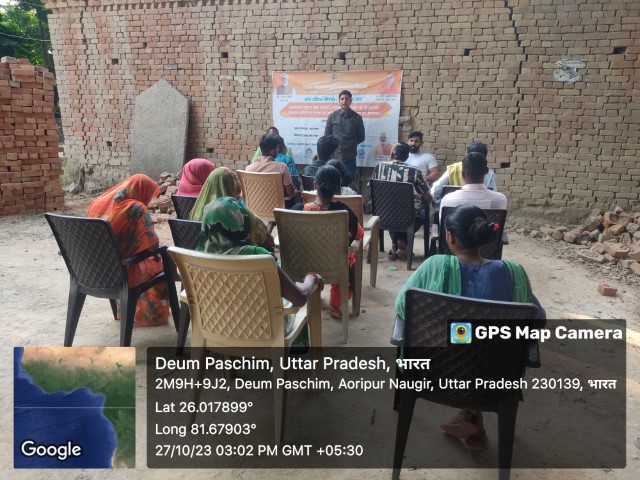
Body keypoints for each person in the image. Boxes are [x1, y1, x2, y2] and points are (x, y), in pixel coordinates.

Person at [395, 204, 546, 450]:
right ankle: (471, 415)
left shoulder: (433, 266)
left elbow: (403, 307)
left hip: (435, 371)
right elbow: (537, 321)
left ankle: (470, 416)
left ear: (450, 237)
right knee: (481, 347)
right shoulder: (514, 273)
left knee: (461, 340)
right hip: (497, 376)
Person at [197, 196, 323, 344]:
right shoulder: (258, 256)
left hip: (219, 326)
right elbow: (299, 297)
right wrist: (311, 279)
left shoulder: (197, 257)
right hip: (263, 330)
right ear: (242, 223)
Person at [87, 174, 169, 326]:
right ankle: (153, 315)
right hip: (122, 274)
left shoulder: (97, 204)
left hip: (93, 271)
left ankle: (127, 311)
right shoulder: (136, 208)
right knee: (163, 261)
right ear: (141, 191)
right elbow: (152, 246)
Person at [292, 166, 364, 319]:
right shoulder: (343, 212)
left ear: (314, 185)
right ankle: (336, 306)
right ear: (338, 188)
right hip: (333, 266)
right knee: (346, 259)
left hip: (302, 265)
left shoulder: (297, 210)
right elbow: (358, 234)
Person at [190, 167, 275, 251]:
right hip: (240, 258)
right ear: (234, 187)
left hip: (202, 259)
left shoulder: (196, 211)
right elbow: (269, 243)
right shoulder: (242, 213)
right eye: (235, 180)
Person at [370, 142, 431, 260]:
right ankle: (402, 241)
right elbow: (427, 197)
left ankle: (396, 242)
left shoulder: (379, 167)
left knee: (391, 208)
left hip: (382, 214)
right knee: (422, 213)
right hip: (405, 216)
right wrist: (416, 196)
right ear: (407, 157)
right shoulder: (414, 171)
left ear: (392, 154)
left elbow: (371, 188)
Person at [439, 151, 508, 218]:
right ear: (486, 171)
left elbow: (443, 224)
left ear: (462, 174)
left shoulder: (447, 200)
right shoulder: (500, 199)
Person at [431, 141, 497, 207]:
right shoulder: (490, 174)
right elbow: (494, 197)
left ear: (466, 155)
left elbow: (435, 191)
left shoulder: (453, 169)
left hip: (454, 210)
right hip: (482, 211)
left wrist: (441, 203)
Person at [324, 90, 365, 182]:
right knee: (334, 183)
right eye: (342, 99)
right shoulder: (332, 117)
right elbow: (327, 137)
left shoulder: (357, 118)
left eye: (347, 99)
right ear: (339, 101)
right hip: (335, 158)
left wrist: (351, 144)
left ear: (351, 101)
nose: (344, 101)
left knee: (349, 183)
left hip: (350, 158)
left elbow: (362, 137)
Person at [246, 134, 295, 199]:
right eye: (277, 148)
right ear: (272, 151)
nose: (278, 150)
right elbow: (290, 193)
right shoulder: (282, 167)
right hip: (277, 205)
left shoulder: (249, 169)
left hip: (254, 205)